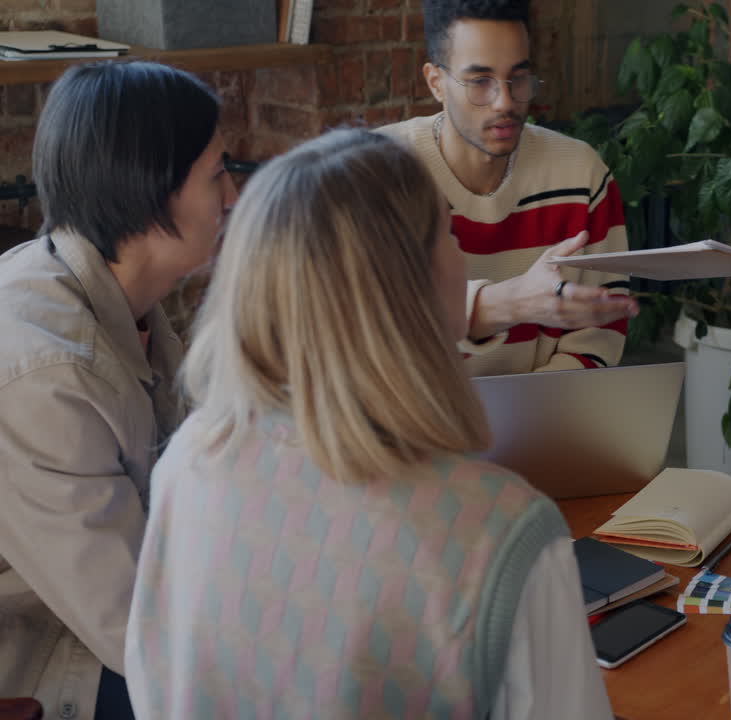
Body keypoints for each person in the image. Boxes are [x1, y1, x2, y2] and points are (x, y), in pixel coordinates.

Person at [124, 129, 613, 719]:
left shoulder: (188, 460)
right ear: (413, 288)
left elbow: (152, 682)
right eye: (451, 237)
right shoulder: (503, 534)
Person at [0, 62, 236, 719]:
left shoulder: (127, 304)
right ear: (151, 192)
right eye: (218, 172)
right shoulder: (47, 374)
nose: (233, 197)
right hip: (52, 656)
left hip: (113, 619)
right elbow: (138, 631)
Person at [380, 0, 638, 376]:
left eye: (518, 78)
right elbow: (370, 338)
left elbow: (595, 342)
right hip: (420, 430)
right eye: (480, 82)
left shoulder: (582, 177)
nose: (505, 102)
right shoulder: (375, 178)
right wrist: (512, 303)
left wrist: (524, 421)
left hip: (546, 422)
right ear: (435, 82)